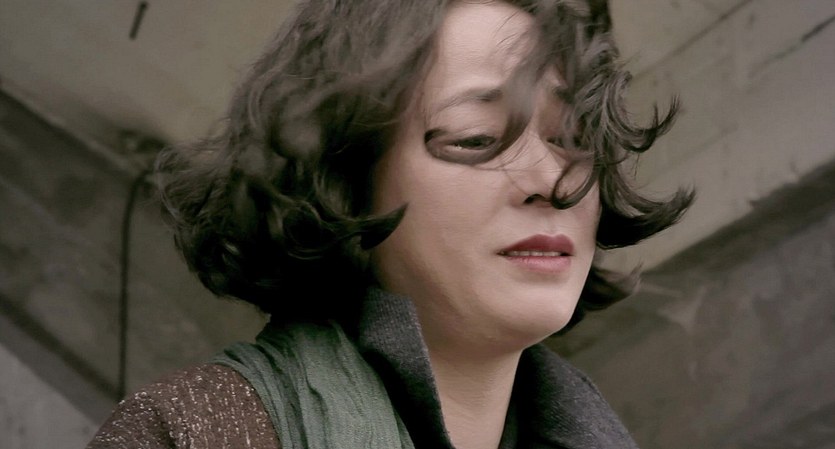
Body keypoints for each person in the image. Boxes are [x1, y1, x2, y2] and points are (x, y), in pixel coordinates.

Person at [89, 0, 693, 448]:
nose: (550, 180)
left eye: (574, 139)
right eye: (476, 138)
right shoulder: (194, 434)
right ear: (344, 176)